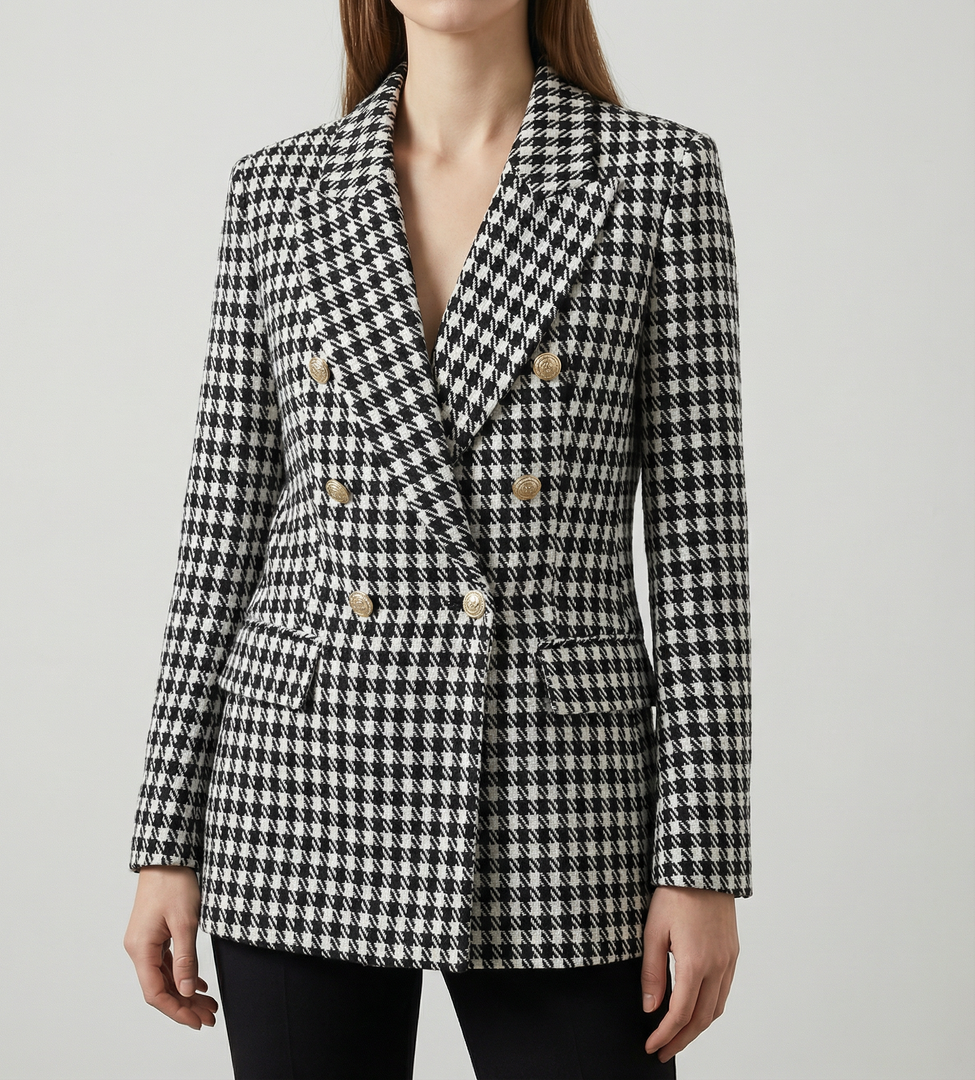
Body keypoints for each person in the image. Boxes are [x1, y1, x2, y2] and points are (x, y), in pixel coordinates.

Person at [123, 1, 751, 1076]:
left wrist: (701, 861)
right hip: (299, 789)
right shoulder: (278, 190)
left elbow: (701, 551)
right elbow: (220, 528)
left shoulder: (656, 177)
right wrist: (164, 839)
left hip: (560, 796)